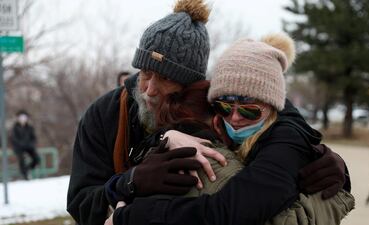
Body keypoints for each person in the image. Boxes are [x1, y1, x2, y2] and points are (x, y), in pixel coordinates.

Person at [67, 1, 348, 224]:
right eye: (145, 73)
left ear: (192, 85)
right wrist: (129, 182)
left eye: (164, 78)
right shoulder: (103, 115)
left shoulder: (215, 104)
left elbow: (272, 108)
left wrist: (323, 158)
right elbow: (80, 203)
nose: (150, 89)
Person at [105, 79, 354, 225]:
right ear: (216, 120)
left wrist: (124, 185)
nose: (235, 119)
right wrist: (337, 194)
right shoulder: (219, 164)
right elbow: (227, 212)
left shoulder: (157, 153)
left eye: (248, 111)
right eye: (225, 109)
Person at [10, 110, 40, 180]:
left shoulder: (30, 127)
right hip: (19, 148)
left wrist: (30, 145)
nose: (23, 119)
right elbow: (14, 139)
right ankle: (25, 174)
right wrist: (22, 145)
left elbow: (34, 138)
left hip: (29, 147)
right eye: (21, 117)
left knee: (37, 158)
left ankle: (27, 169)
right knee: (21, 158)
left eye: (24, 117)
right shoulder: (14, 128)